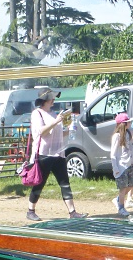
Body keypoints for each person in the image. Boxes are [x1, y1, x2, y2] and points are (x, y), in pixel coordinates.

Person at [25, 88, 87, 221]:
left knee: (65, 182)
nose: (54, 100)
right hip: (44, 153)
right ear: (45, 100)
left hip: (58, 152)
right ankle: (30, 210)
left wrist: (69, 129)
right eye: (52, 98)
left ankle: (72, 212)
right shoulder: (37, 114)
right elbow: (41, 132)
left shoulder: (54, 113)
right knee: (40, 183)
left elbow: (57, 133)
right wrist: (56, 121)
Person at [110, 112, 133, 218]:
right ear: (123, 124)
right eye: (128, 122)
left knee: (132, 185)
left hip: (129, 164)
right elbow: (112, 154)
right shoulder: (116, 136)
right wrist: (115, 168)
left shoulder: (129, 133)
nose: (130, 123)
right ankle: (121, 208)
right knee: (123, 188)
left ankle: (117, 200)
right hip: (121, 167)